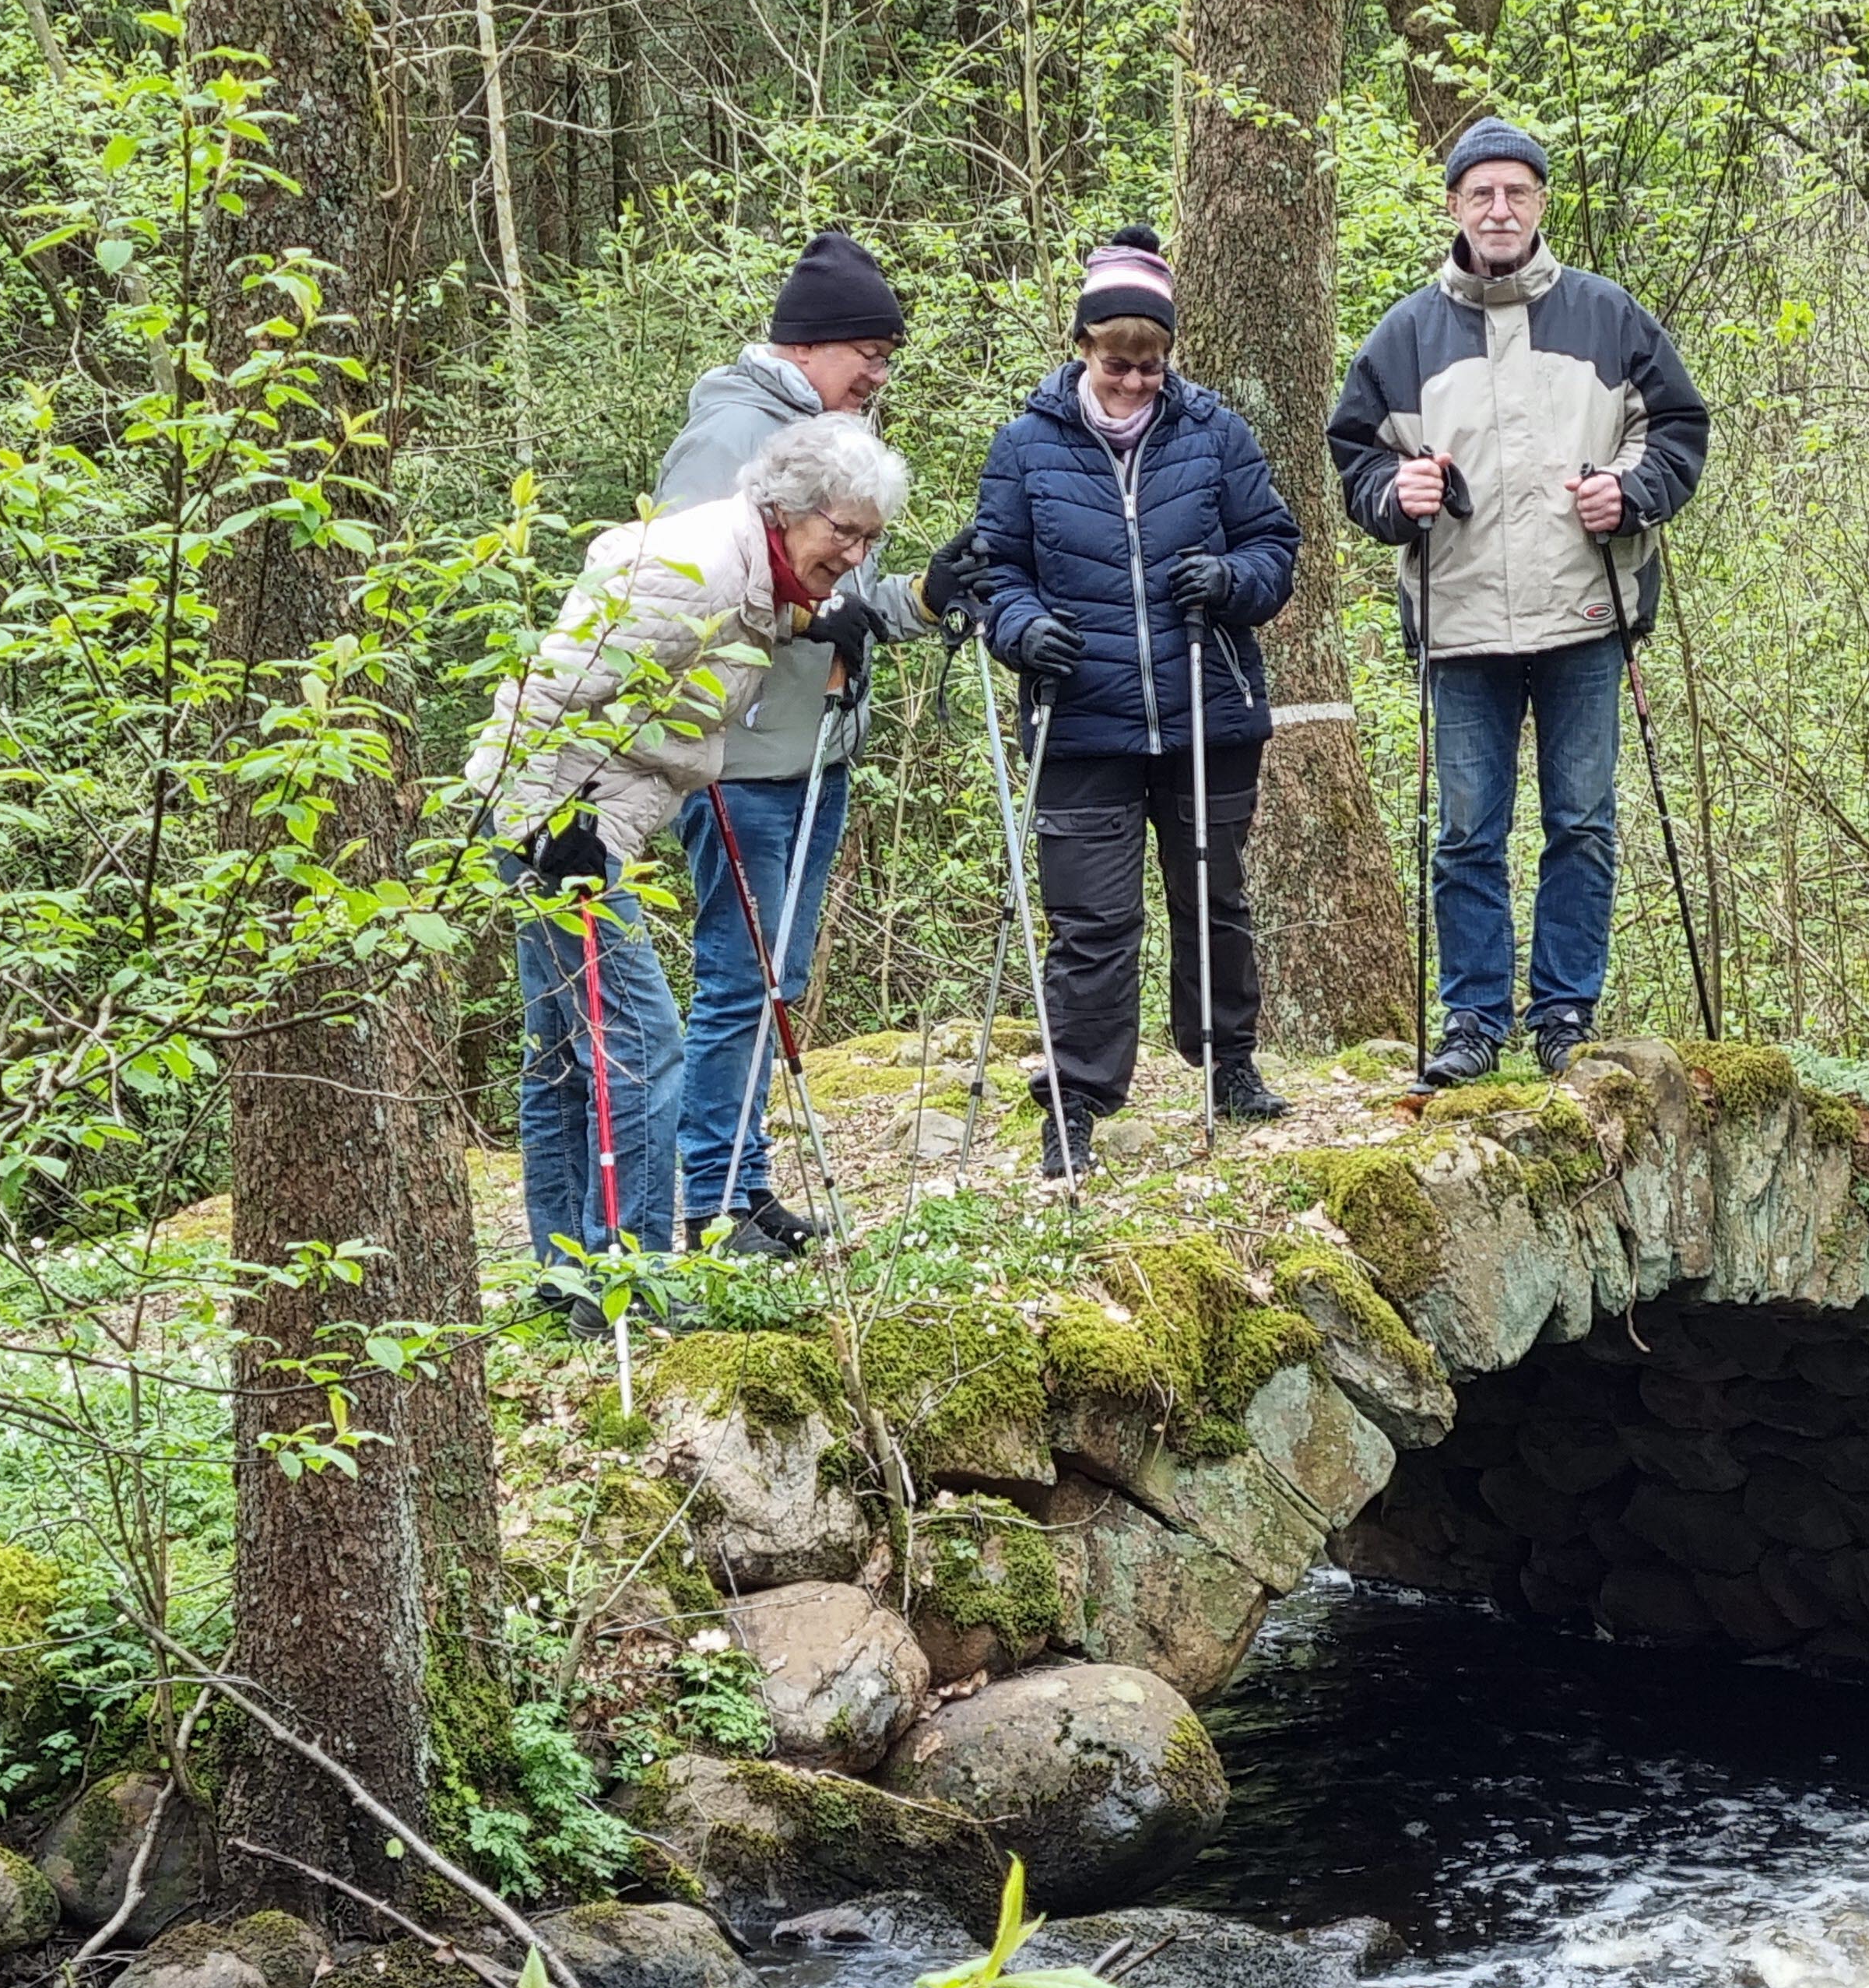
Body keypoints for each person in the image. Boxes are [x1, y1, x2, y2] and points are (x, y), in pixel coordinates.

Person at [466, 415, 912, 1326]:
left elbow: (745, 621)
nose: (856, 555)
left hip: (584, 819)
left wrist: (817, 617)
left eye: (871, 539)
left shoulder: (752, 568)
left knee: (561, 1054)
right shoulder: (697, 568)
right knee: (640, 1042)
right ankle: (630, 1289)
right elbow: (548, 688)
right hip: (563, 829)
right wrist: (546, 825)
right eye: (845, 532)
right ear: (788, 507)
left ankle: (567, 1280)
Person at [1328, 116, 1711, 1087]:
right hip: (1460, 623)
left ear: (1541, 203)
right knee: (1467, 833)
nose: (1500, 210)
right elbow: (1357, 459)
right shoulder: (1405, 334)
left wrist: (1631, 491)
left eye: (1517, 192)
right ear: (1454, 207)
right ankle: (1473, 1021)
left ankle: (1565, 1015)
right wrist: (1396, 493)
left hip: (1587, 612)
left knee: (1582, 822)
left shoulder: (1608, 315)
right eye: (1482, 194)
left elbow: (1678, 428)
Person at [959, 228, 1302, 1178]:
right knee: (1093, 924)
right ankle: (1074, 1101)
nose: (1137, 382)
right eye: (1119, 363)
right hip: (1080, 722)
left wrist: (1230, 579)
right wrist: (1022, 628)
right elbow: (993, 571)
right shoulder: (1024, 447)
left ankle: (1228, 1064)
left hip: (1206, 706)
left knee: (1214, 898)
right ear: (1083, 348)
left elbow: (1275, 547)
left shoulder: (1216, 433)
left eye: (1152, 364)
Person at [654, 230, 964, 1257]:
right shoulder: (729, 436)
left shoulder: (827, 436)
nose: (878, 375)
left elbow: (839, 603)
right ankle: (713, 1200)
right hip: (741, 757)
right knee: (741, 979)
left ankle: (744, 1187)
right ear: (807, 344)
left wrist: (920, 599)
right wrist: (809, 621)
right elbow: (692, 597)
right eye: (868, 353)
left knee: (773, 979)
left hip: (813, 750)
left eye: (887, 357)